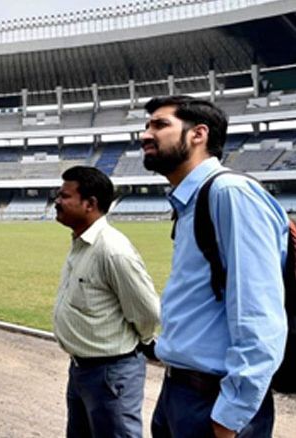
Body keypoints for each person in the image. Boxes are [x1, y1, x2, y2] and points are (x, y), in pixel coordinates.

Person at [142, 95, 288, 438]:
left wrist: (231, 414)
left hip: (213, 399)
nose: (146, 134)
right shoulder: (190, 200)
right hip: (179, 391)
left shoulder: (230, 193)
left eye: (160, 125)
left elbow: (258, 310)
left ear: (198, 134)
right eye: (147, 125)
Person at [52, 165, 160, 438]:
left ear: (90, 204)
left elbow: (147, 312)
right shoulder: (81, 243)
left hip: (111, 374)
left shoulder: (112, 251)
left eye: (65, 196)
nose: (57, 201)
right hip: (81, 370)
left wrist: (140, 344)